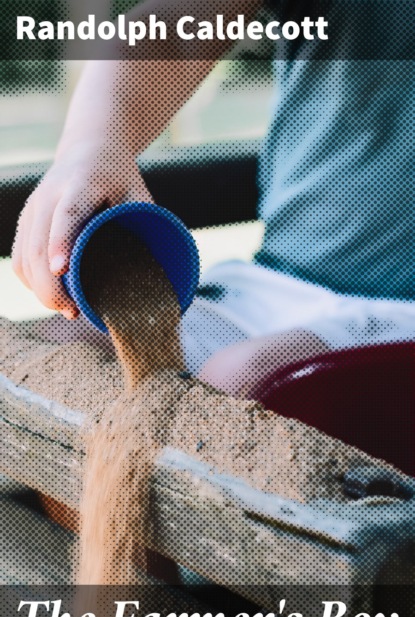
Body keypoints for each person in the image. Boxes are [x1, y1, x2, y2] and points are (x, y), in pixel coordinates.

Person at [12, 0, 415, 397]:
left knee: (242, 379)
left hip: (401, 305)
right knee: (56, 348)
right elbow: (173, 30)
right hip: (271, 284)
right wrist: (94, 147)